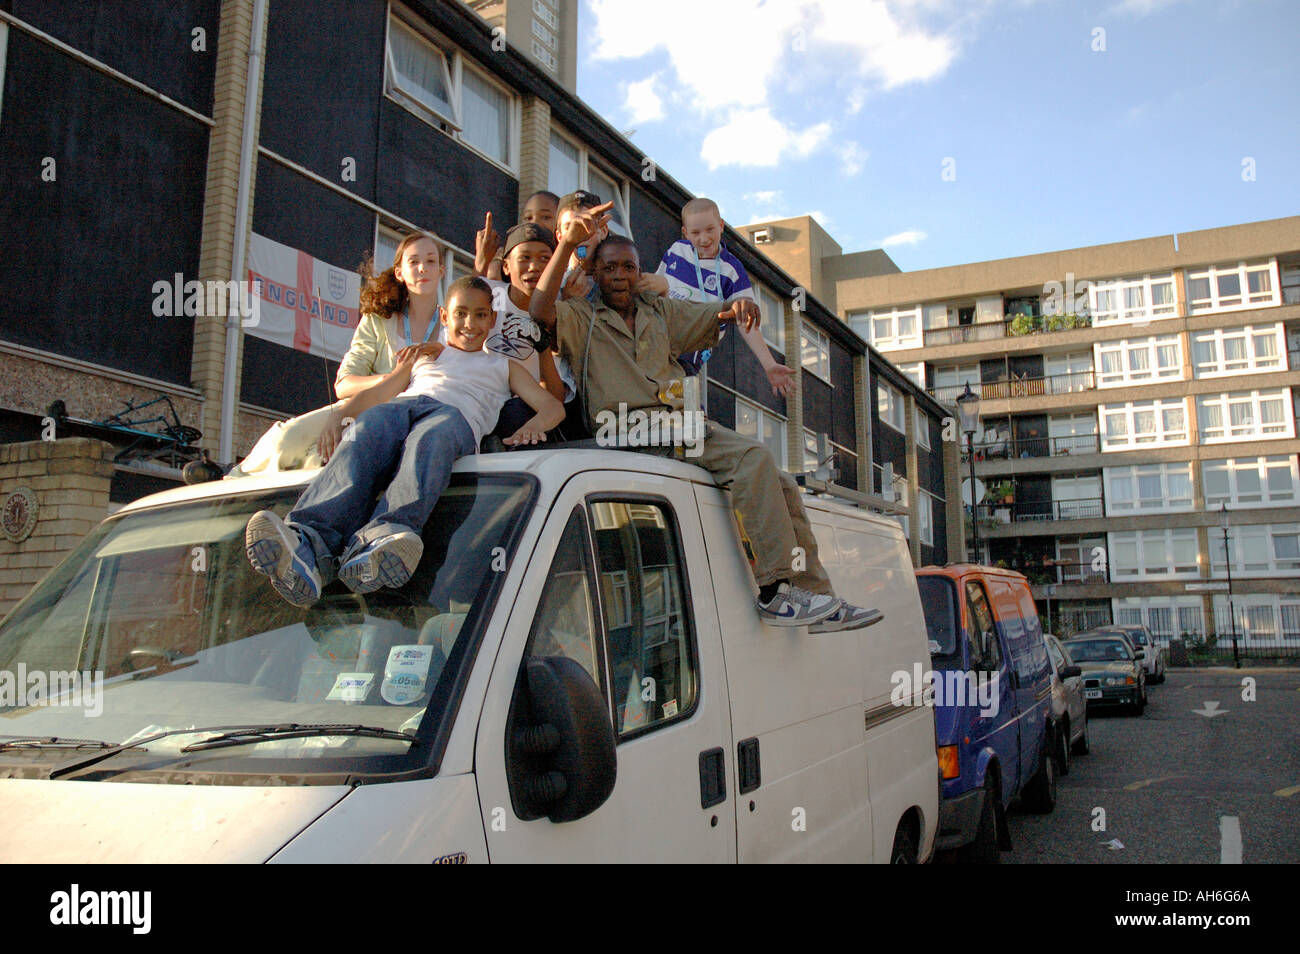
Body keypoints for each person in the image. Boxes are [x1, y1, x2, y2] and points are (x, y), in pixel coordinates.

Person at [529, 204, 882, 634]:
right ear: (595, 274)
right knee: (752, 456)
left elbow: (710, 313)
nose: (620, 275)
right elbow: (539, 312)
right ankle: (774, 592)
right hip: (626, 430)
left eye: (628, 267)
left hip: (673, 428)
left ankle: (819, 598)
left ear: (641, 272)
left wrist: (737, 309)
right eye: (609, 267)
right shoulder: (582, 317)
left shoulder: (658, 311)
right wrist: (567, 244)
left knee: (781, 481)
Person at [245, 276, 565, 607]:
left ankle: (381, 538)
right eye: (461, 314)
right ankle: (307, 545)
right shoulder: (424, 356)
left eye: (481, 315)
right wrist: (337, 419)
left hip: (456, 417)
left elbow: (552, 407)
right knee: (368, 427)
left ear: (492, 319)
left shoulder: (504, 366)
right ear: (444, 317)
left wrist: (533, 426)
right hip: (406, 405)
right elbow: (380, 393)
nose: (470, 324)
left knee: (430, 439)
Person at [641, 197, 797, 398]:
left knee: (677, 396)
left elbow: (745, 321)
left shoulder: (731, 269)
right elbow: (656, 288)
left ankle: (692, 414)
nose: (704, 239)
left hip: (690, 349)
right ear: (685, 232)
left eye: (710, 230)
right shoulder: (676, 250)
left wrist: (769, 364)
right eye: (695, 233)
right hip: (658, 336)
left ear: (721, 226)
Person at [450, 222, 574, 445]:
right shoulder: (487, 295)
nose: (534, 266)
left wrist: (543, 343)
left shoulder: (562, 313)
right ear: (506, 267)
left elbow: (555, 398)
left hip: (524, 408)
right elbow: (454, 345)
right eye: (524, 258)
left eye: (545, 259)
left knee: (516, 411)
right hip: (477, 395)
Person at [475, 191, 560, 281]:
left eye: (546, 217)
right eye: (528, 218)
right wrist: (483, 261)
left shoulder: (571, 263)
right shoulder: (506, 260)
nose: (535, 223)